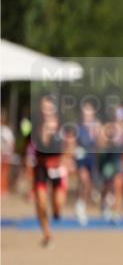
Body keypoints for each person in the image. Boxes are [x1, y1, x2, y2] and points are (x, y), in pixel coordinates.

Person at [31, 95, 66, 247]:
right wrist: (45, 131)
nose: (46, 112)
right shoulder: (37, 125)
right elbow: (40, 144)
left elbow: (70, 144)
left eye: (49, 108)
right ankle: (47, 234)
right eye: (43, 108)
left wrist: (68, 160)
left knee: (57, 204)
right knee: (41, 202)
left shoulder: (63, 125)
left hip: (57, 166)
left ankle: (57, 213)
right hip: (41, 166)